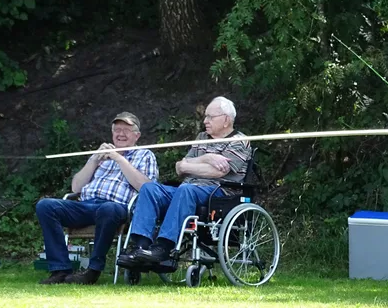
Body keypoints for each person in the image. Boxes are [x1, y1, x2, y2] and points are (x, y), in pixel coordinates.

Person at [118, 96, 252, 271]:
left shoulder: (239, 141)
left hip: (219, 193)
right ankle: (141, 248)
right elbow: (179, 167)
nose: (205, 121)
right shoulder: (202, 137)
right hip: (187, 190)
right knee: (149, 189)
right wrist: (207, 158)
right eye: (205, 116)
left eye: (210, 117)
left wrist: (190, 165)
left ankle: (163, 248)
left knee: (186, 189)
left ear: (226, 120)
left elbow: (218, 172)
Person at [35, 112, 158, 285]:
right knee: (45, 206)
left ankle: (93, 270)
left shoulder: (145, 155)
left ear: (137, 135)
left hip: (117, 207)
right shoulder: (101, 156)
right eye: (117, 130)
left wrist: (119, 158)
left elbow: (146, 188)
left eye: (126, 130)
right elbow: (76, 188)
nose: (121, 134)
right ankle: (60, 270)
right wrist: (93, 159)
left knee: (108, 208)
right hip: (86, 205)